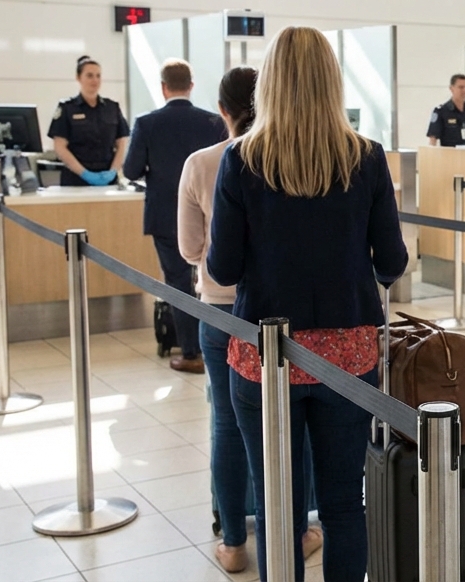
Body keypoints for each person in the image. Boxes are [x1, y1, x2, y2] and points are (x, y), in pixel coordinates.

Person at [209, 26, 408, 582]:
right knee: (345, 504)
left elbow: (222, 270)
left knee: (279, 507)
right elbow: (393, 260)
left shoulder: (242, 159)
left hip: (266, 356)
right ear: (331, 81)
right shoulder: (365, 158)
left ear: (268, 84)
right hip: (347, 356)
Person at [177, 66, 322, 573]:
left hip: (220, 312)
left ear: (221, 110)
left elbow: (191, 248)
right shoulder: (291, 156)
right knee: (297, 425)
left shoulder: (201, 163)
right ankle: (300, 529)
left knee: (226, 423)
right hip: (284, 310)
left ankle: (235, 541)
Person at [123, 60, 228, 374]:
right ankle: (218, 344)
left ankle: (192, 352)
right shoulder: (212, 121)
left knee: (178, 283)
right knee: (211, 280)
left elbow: (130, 170)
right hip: (212, 212)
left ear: (163, 87)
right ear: (191, 86)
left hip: (166, 214)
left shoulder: (146, 123)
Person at [47, 55, 130, 186]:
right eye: (90, 75)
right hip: (76, 179)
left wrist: (113, 171)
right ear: (78, 77)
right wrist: (84, 173)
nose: (95, 80)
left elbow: (122, 143)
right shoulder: (67, 108)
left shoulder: (112, 107)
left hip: (108, 178)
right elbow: (60, 147)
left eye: (98, 76)